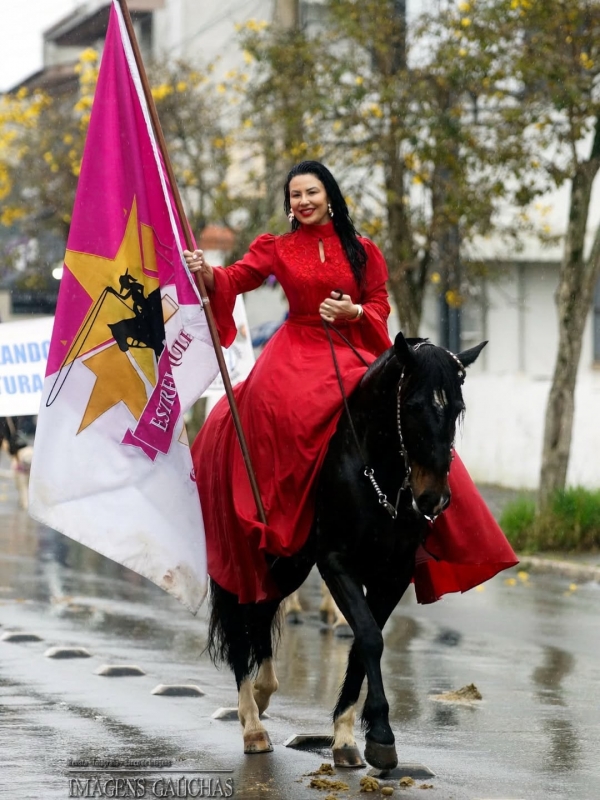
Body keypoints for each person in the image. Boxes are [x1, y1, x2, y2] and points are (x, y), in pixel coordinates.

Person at [183, 160, 517, 605]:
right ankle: (282, 519)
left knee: (401, 414)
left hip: (350, 349)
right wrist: (204, 270)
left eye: (311, 193)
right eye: (295, 196)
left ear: (330, 197)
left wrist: (355, 313)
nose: (303, 202)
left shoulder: (363, 249)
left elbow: (378, 302)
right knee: (274, 408)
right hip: (295, 351)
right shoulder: (276, 247)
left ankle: (428, 521)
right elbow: (234, 279)